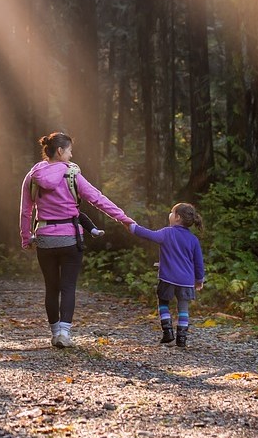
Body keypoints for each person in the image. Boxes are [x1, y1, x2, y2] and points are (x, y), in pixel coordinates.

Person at [20, 132, 134, 348]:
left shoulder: (32, 176)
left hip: (44, 238)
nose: (72, 155)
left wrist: (26, 238)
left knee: (51, 288)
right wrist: (124, 219)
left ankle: (54, 334)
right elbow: (98, 199)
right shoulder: (72, 175)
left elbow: (26, 211)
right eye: (70, 150)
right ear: (61, 151)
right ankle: (64, 333)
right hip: (71, 239)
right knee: (68, 287)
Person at [128, 203, 205, 348]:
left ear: (177, 217)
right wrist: (199, 280)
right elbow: (198, 263)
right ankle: (182, 338)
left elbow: (149, 234)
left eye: (171, 212)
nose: (169, 214)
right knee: (183, 308)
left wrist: (132, 227)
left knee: (163, 302)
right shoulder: (193, 239)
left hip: (167, 278)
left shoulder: (167, 233)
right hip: (186, 281)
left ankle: (168, 332)